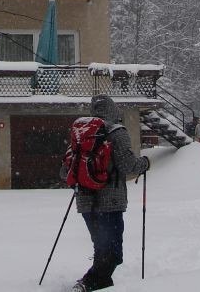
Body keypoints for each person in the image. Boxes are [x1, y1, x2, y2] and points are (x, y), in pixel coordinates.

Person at [62, 94, 150, 292]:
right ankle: (87, 283)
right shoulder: (117, 132)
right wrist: (145, 163)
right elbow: (128, 165)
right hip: (111, 201)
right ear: (112, 109)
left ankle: (100, 285)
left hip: (85, 200)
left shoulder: (81, 133)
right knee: (113, 253)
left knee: (101, 247)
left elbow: (65, 171)